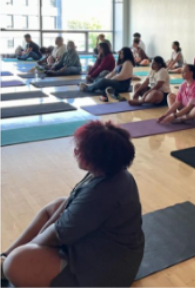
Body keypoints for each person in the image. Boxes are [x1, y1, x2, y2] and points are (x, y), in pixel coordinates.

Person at [0, 121, 144, 288]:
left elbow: (54, 236)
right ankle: (5, 255)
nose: (75, 152)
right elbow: (70, 201)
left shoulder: (100, 194)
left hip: (109, 271)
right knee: (58, 204)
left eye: (79, 151)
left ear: (93, 159)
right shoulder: (109, 171)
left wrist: (27, 251)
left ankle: (7, 260)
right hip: (106, 248)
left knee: (16, 263)